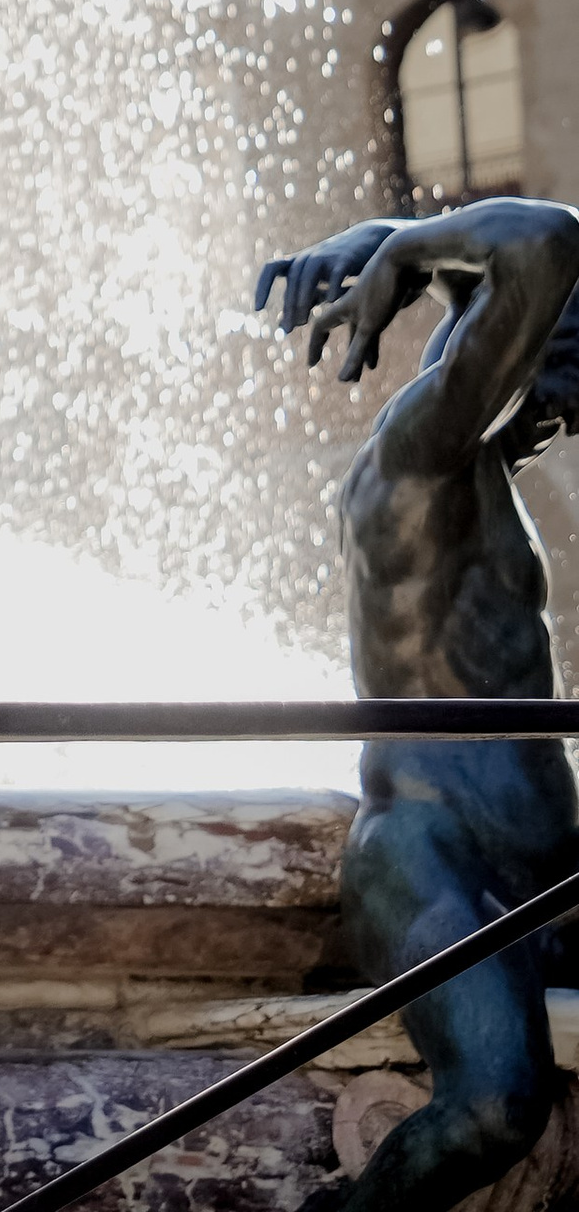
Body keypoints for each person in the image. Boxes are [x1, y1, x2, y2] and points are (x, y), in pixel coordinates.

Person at [259, 200, 579, 1212]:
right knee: (493, 1104)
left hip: (545, 873)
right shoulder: (417, 455)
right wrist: (405, 245)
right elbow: (546, 246)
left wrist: (407, 242)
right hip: (432, 852)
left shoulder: (474, 468)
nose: (563, 417)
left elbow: (493, 294)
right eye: (559, 386)